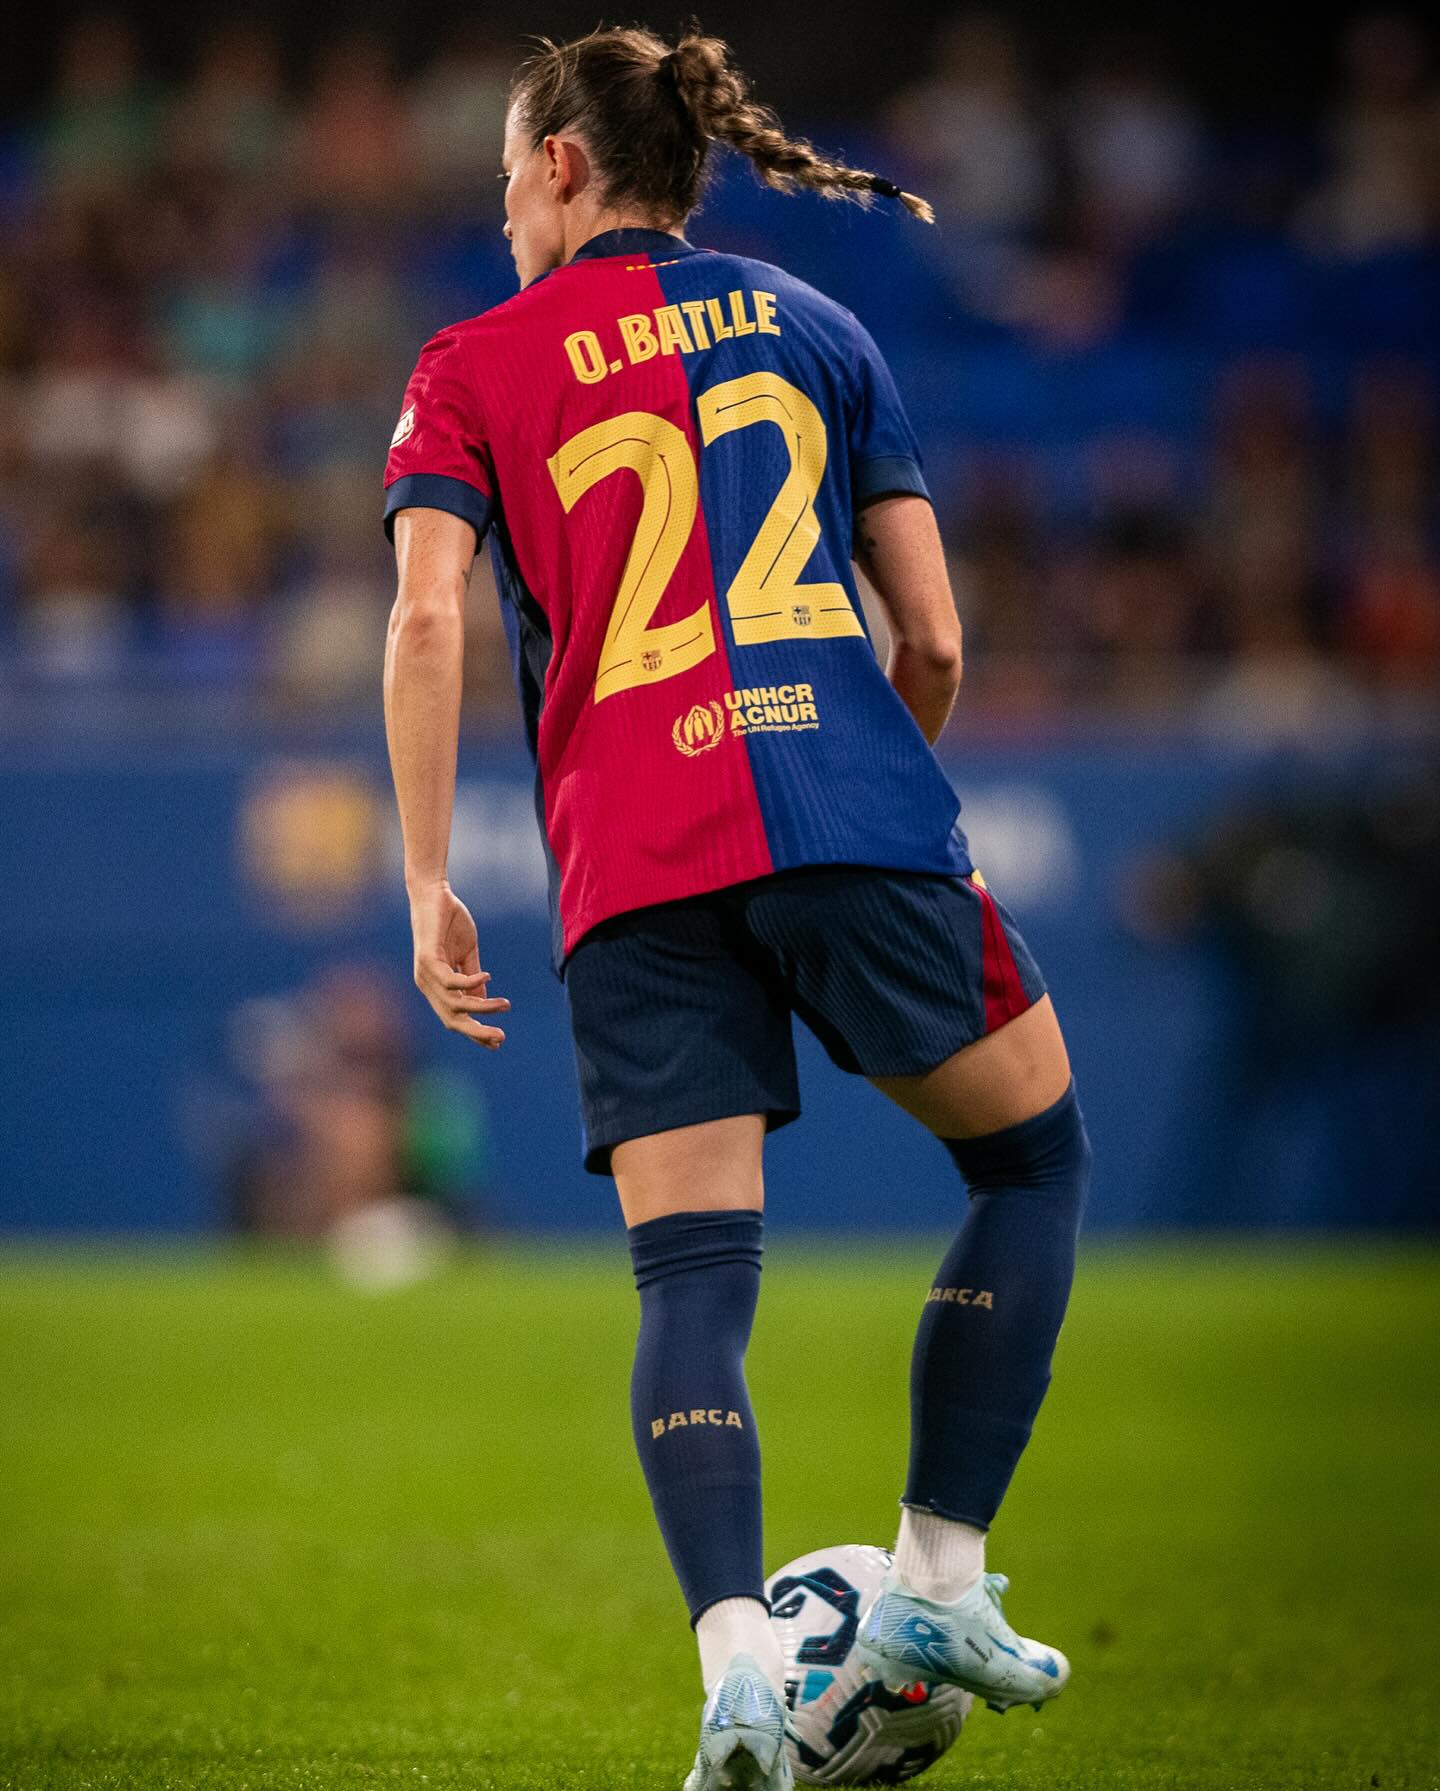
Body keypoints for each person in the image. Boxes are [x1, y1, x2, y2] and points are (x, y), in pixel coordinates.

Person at [381, 27, 1091, 1790]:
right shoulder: (819, 323)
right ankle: (937, 1579)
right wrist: (859, 796)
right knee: (1030, 1162)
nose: (503, 211)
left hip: (632, 854)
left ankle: (738, 1685)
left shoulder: (471, 363)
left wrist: (426, 876)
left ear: (561, 166)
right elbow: (934, 640)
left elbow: (425, 617)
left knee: (692, 1276)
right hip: (847, 809)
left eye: (505, 178)